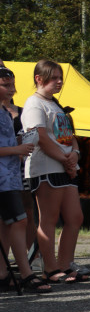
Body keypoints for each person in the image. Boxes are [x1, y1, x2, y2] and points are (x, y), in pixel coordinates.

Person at [22, 59, 85, 284]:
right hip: (46, 168)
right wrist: (64, 159)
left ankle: (65, 265)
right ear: (39, 79)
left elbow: (71, 136)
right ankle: (49, 268)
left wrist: (74, 155)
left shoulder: (56, 104)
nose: (59, 82)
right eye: (54, 78)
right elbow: (39, 137)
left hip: (65, 166)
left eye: (61, 78)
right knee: (48, 219)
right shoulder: (33, 104)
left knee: (75, 217)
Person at [0, 67, 50, 293]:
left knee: (5, 225)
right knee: (18, 221)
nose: (12, 90)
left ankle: (2, 274)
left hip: (10, 176)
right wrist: (16, 148)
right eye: (6, 85)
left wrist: (20, 142)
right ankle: (27, 274)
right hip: (3, 178)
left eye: (12, 85)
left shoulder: (4, 112)